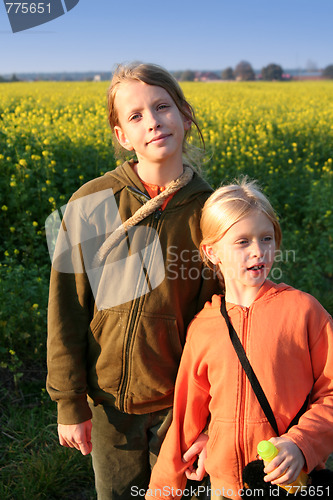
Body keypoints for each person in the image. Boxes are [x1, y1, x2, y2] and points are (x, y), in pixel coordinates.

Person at [46, 62, 220, 499]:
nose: (154, 121)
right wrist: (70, 402)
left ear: (184, 115)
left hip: (182, 405)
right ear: (122, 135)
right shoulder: (92, 201)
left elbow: (225, 322)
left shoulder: (214, 213)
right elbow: (65, 307)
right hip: (108, 405)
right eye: (136, 115)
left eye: (162, 107)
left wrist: (215, 413)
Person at [146, 178, 333, 499]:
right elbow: (184, 422)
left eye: (267, 238)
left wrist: (301, 444)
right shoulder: (204, 327)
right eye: (242, 241)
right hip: (223, 488)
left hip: (287, 485)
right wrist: (161, 493)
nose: (258, 251)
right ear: (212, 251)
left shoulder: (304, 312)